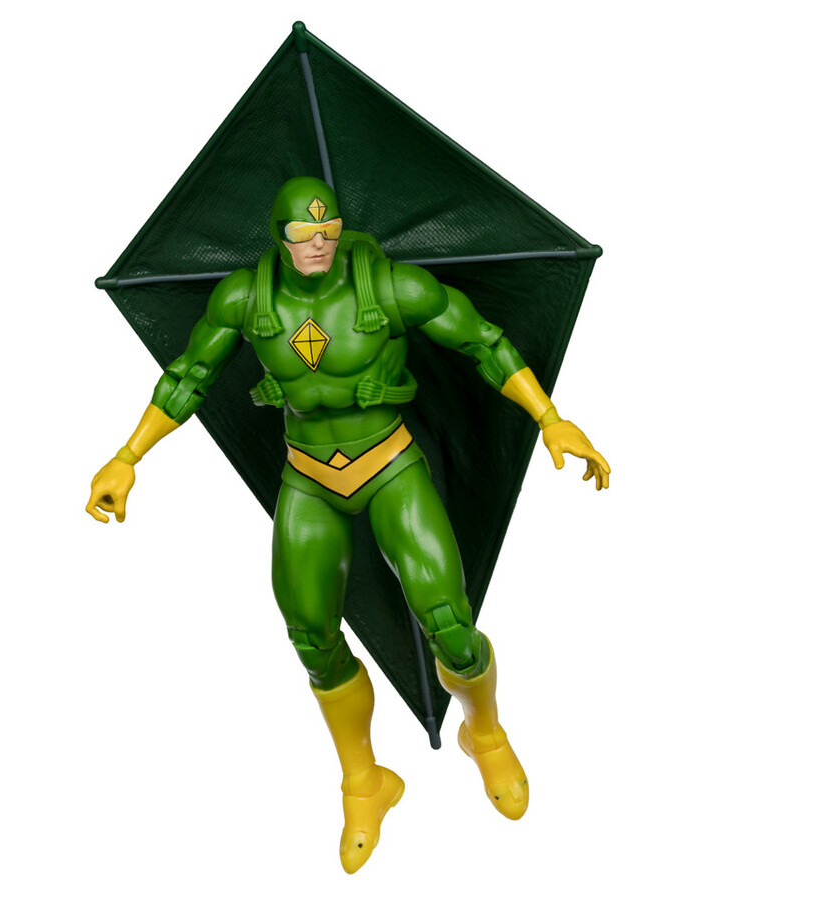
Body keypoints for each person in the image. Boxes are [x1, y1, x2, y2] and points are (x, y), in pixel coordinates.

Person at [86, 175, 610, 873]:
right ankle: (366, 781)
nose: (318, 244)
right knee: (311, 636)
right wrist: (127, 457)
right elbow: (188, 376)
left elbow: (483, 342)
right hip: (309, 478)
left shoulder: (389, 286)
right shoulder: (245, 299)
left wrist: (550, 418)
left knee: (450, 624)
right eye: (303, 235)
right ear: (277, 236)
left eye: (328, 231)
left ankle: (483, 734)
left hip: (389, 464)